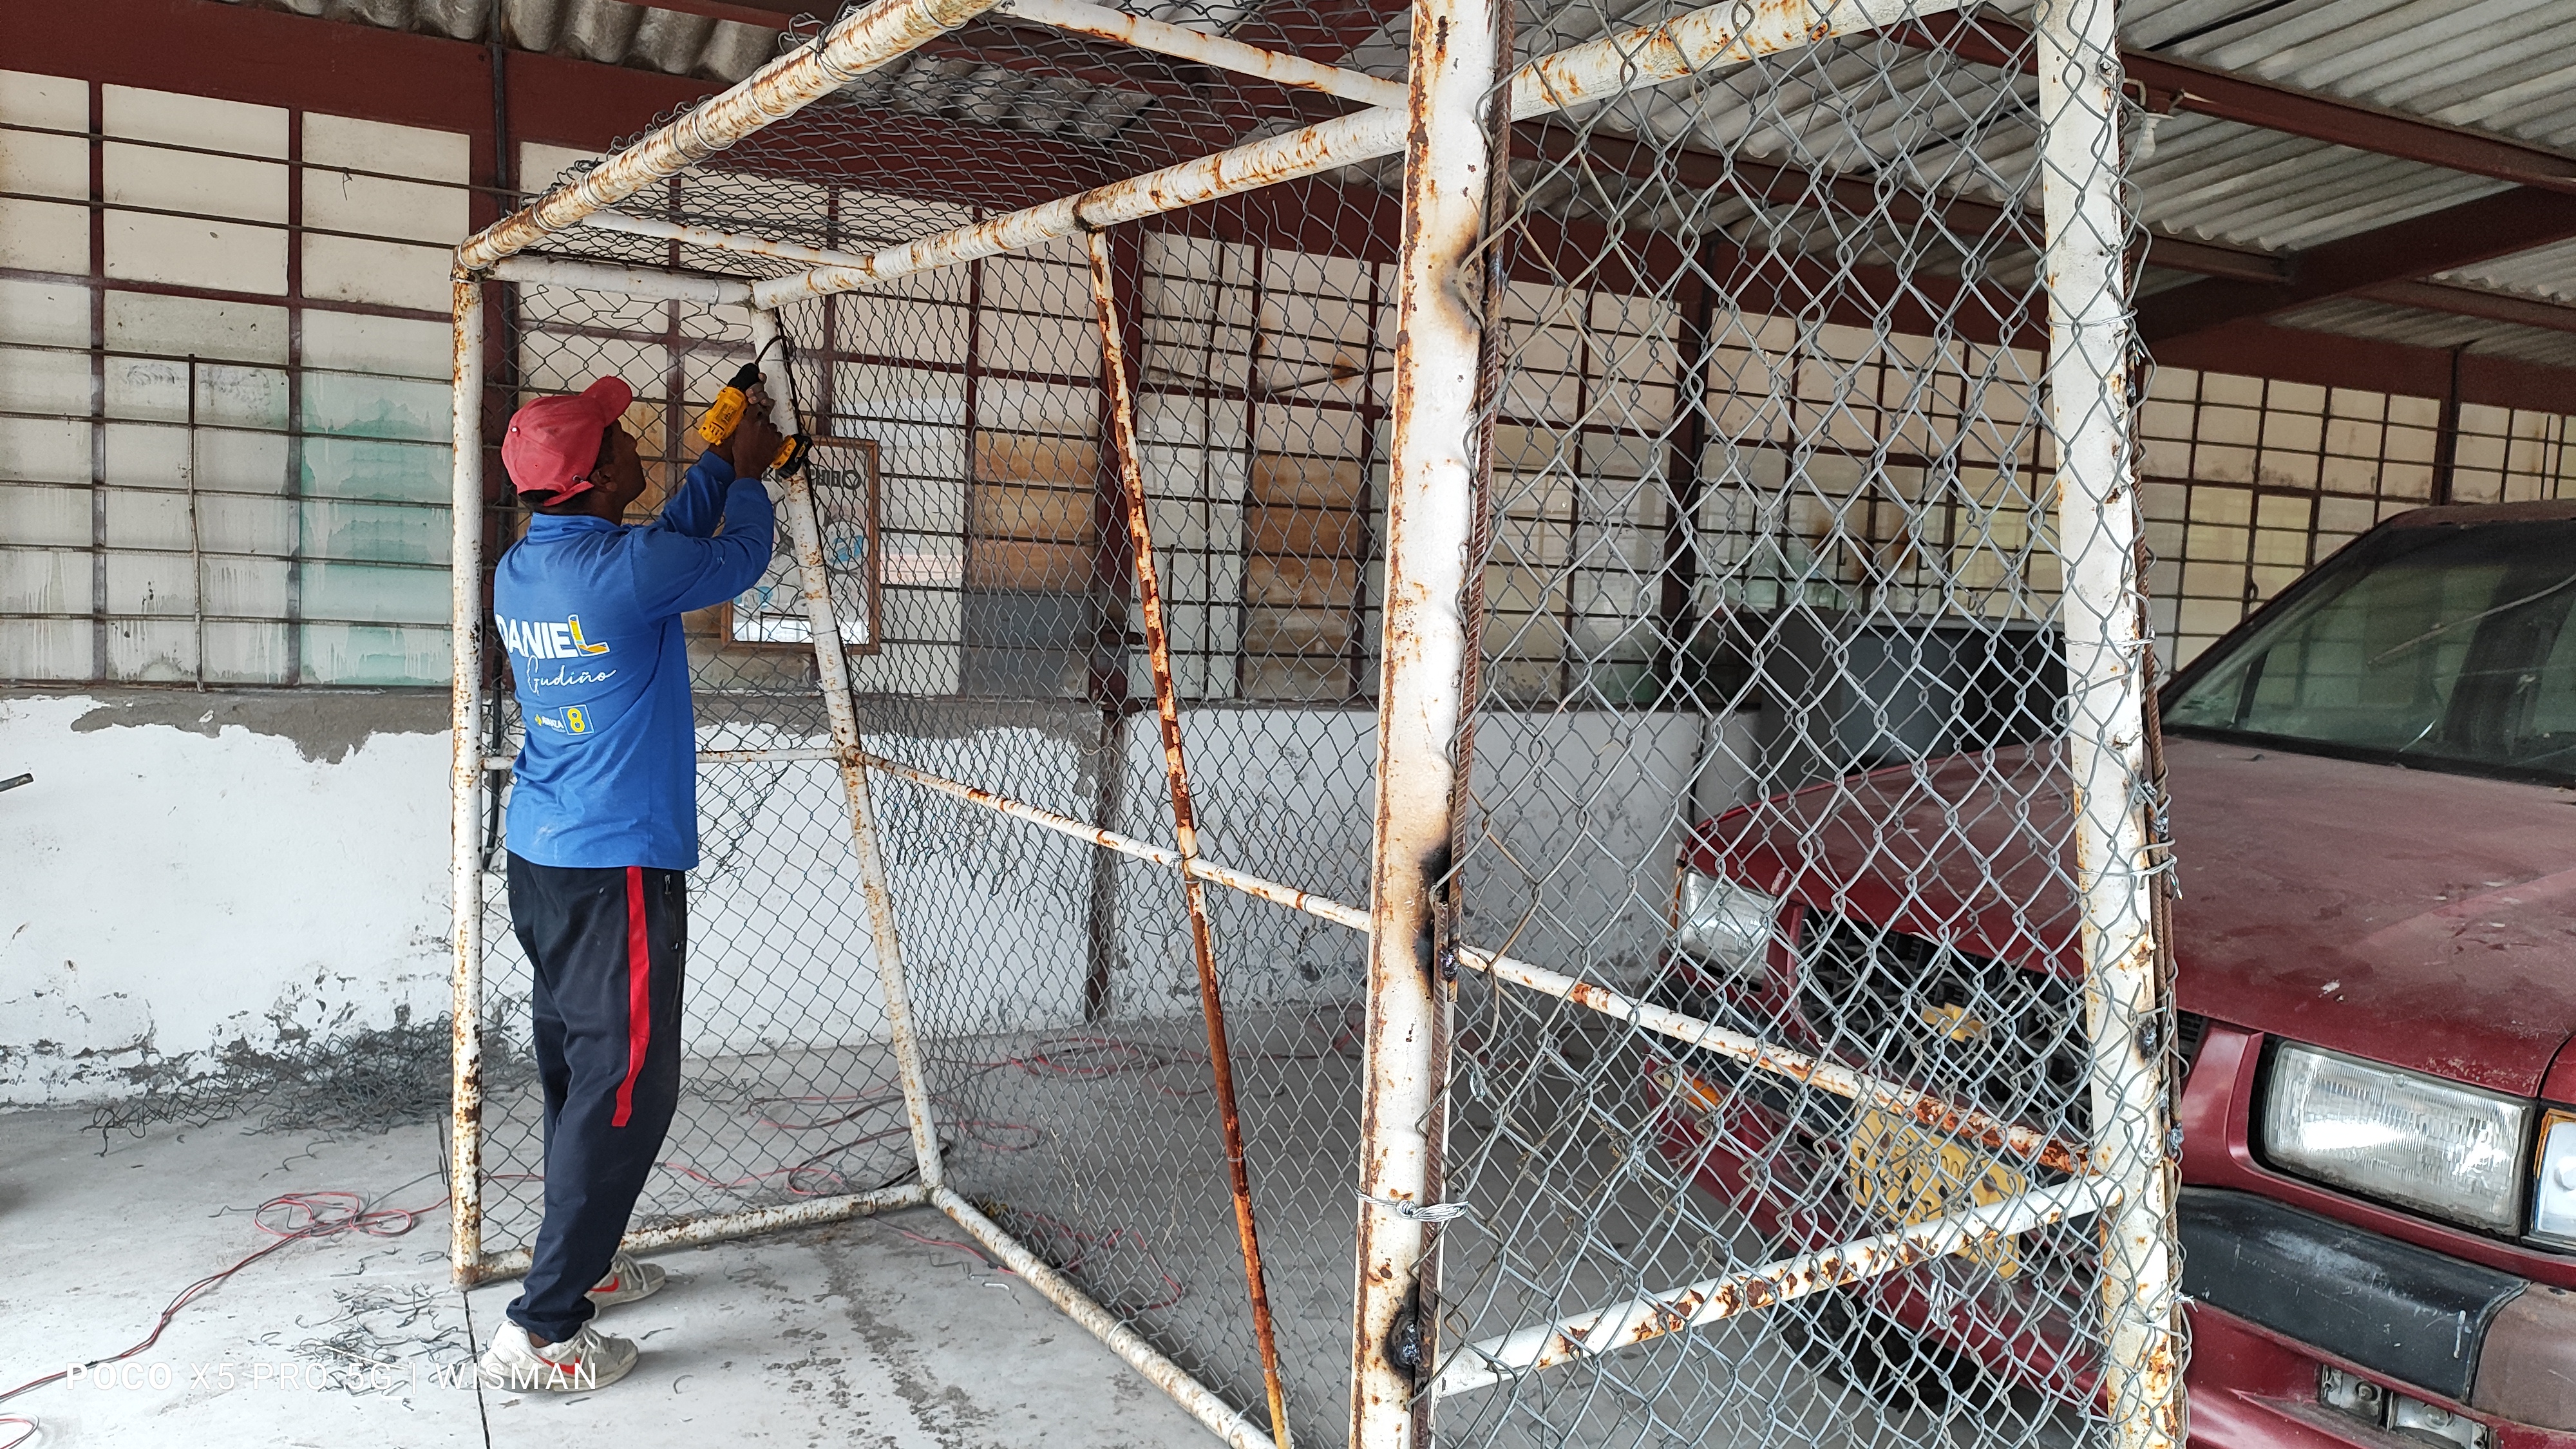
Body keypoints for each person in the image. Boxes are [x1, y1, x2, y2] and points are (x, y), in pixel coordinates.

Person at [473, 375, 784, 1392]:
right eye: (619, 435)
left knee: (583, 1075)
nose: (632, 438)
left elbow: (659, 553)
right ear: (602, 476)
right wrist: (748, 475)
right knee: (627, 1092)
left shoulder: (523, 569)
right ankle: (543, 1328)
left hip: (545, 859)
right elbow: (737, 558)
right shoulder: (627, 570)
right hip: (616, 867)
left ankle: (588, 1263)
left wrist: (717, 463)